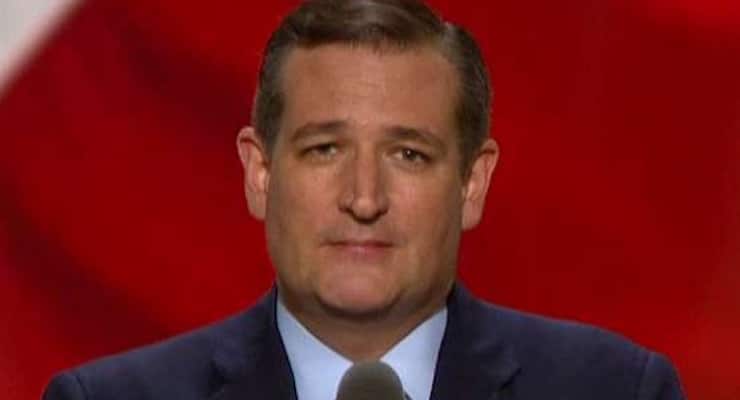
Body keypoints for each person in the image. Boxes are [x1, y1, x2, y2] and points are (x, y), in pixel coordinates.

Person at [43, 1, 685, 399]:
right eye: (324, 149)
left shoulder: (614, 390)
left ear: (472, 183)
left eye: (409, 154)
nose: (364, 198)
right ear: (259, 173)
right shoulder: (107, 398)